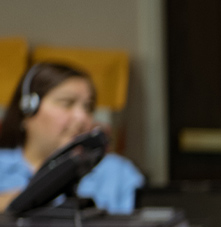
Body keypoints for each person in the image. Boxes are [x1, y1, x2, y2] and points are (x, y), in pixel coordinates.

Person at [0, 63, 143, 213]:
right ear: (27, 109)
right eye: (67, 103)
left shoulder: (118, 173)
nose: (82, 118)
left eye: (88, 107)